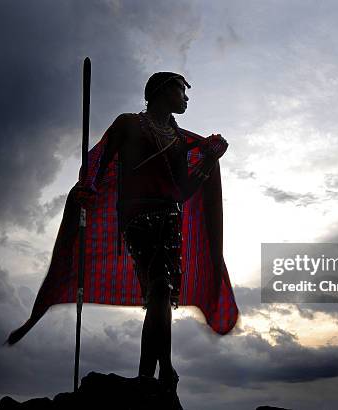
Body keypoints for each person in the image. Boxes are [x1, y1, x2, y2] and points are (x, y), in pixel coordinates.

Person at [71, 72, 228, 400]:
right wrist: (88, 185)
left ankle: (149, 374)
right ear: (163, 90)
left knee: (161, 295)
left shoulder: (179, 140)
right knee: (158, 288)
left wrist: (209, 160)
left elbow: (183, 191)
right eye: (182, 92)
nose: (186, 100)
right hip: (137, 218)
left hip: (171, 220)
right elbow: (99, 162)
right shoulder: (128, 124)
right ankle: (163, 369)